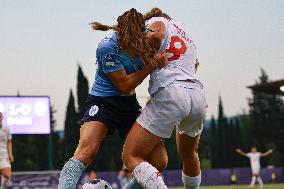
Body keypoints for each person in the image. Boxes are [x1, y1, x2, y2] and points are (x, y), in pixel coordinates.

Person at [57, 8, 168, 189]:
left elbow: (165, 32)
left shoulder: (147, 41)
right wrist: (152, 66)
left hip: (129, 105)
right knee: (86, 151)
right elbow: (124, 85)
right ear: (120, 33)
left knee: (159, 160)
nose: (133, 44)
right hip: (103, 102)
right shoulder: (107, 48)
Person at [122, 8, 207, 189]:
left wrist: (137, 48)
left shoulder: (159, 21)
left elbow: (156, 34)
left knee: (131, 155)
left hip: (172, 93)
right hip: (197, 95)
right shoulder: (186, 35)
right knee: (190, 154)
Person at [0, 112, 13, 189]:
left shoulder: (6, 129)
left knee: (7, 176)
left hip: (3, 156)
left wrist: (10, 154)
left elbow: (9, 142)